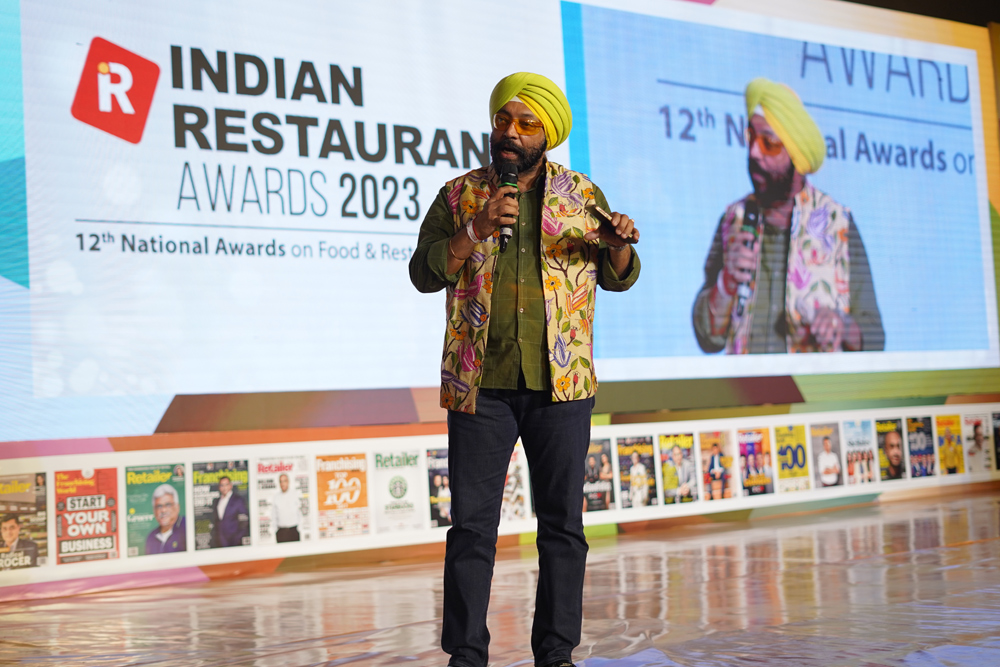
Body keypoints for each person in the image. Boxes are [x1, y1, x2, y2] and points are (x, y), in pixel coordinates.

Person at [408, 72, 640, 667]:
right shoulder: (459, 195)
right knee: (471, 529)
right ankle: (466, 656)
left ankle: (556, 653)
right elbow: (423, 273)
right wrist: (476, 229)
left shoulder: (582, 195)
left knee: (562, 526)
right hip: (480, 386)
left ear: (548, 135)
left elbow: (619, 276)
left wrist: (617, 243)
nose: (511, 132)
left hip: (561, 388)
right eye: (503, 120)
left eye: (526, 123)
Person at [692, 78, 883, 354]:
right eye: (751, 137)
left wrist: (840, 324)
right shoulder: (733, 219)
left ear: (796, 152)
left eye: (769, 143)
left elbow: (874, 336)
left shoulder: (837, 222)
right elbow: (708, 339)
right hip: (746, 382)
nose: (754, 152)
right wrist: (726, 284)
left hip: (812, 383)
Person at [145, 484, 186, 554]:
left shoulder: (187, 526)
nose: (163, 510)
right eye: (159, 506)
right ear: (154, 511)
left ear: (177, 507)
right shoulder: (151, 537)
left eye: (168, 505)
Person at [210, 476, 249, 548]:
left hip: (233, 541)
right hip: (219, 542)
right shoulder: (216, 501)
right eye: (222, 485)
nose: (224, 487)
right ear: (219, 487)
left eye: (226, 484)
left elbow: (244, 521)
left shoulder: (238, 500)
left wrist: (238, 538)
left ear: (231, 485)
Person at [271, 473, 302, 542]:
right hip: (281, 532)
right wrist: (275, 530)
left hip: (293, 531)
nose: (283, 484)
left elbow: (300, 512)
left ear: (288, 482)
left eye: (284, 481)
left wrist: (299, 529)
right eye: (281, 481)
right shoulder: (276, 497)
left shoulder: (295, 495)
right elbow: (274, 515)